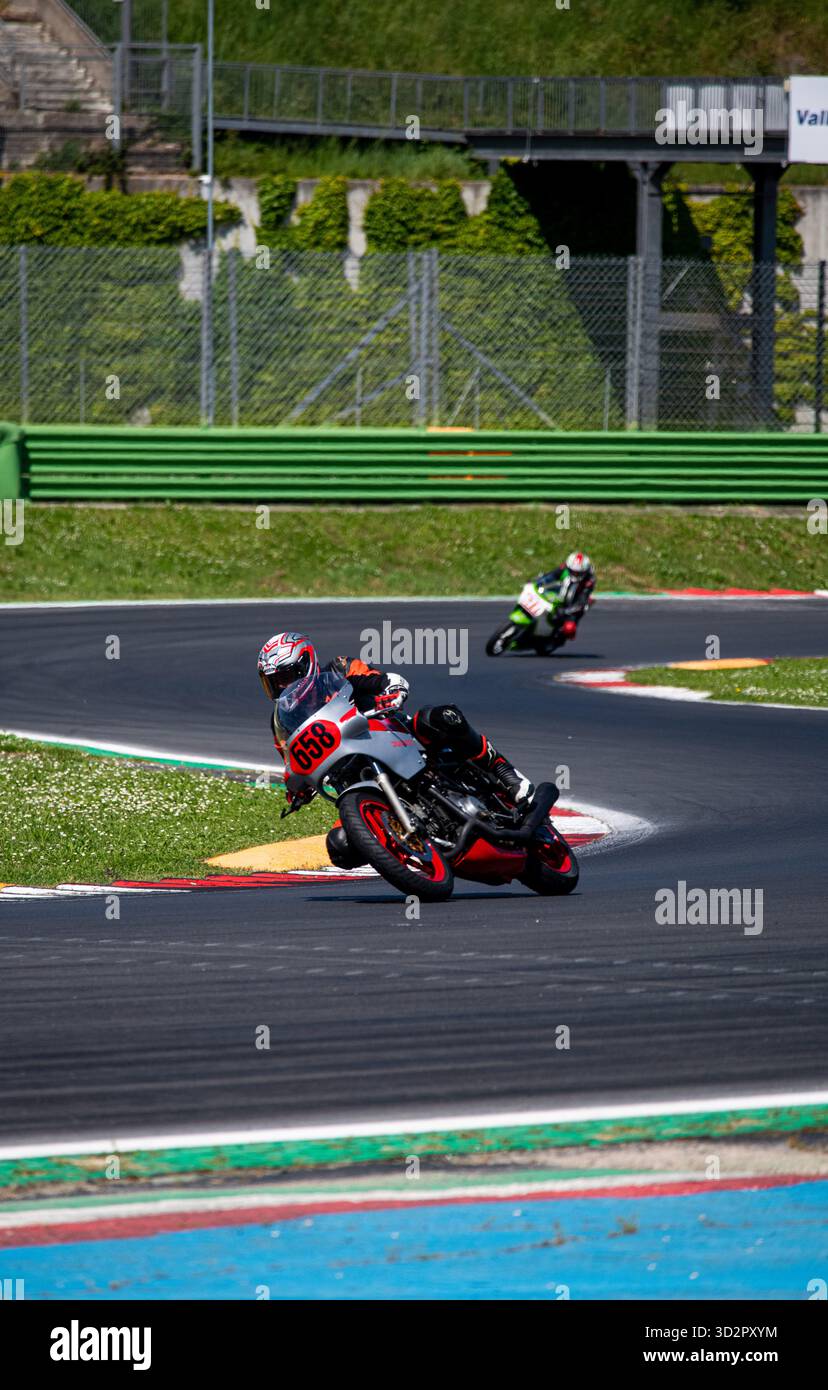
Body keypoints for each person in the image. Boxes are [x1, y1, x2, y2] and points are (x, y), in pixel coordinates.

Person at [257, 631, 535, 806]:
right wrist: (296, 789)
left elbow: (377, 679)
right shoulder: (282, 720)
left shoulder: (339, 669)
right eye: (273, 682)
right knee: (340, 848)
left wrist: (389, 690)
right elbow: (291, 759)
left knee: (439, 718)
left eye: (285, 677)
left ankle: (504, 772)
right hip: (350, 772)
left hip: (389, 733)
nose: (282, 687)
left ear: (306, 664)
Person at [535, 551, 596, 633]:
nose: (575, 574)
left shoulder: (589, 580)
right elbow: (550, 576)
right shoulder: (564, 568)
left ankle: (557, 639)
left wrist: (565, 611)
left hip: (573, 605)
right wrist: (539, 582)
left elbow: (581, 601)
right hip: (559, 594)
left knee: (569, 629)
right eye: (573, 571)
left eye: (578, 573)